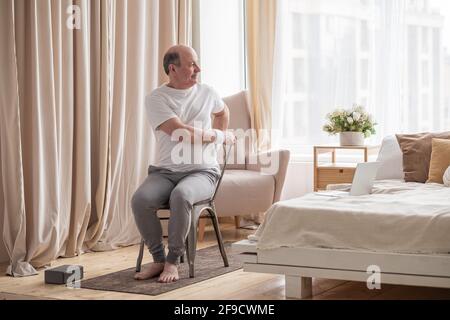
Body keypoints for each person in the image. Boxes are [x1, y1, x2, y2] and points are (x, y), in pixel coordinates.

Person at [131, 45, 235, 283]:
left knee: (182, 195)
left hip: (203, 173)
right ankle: (158, 259)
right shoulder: (156, 98)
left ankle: (172, 261)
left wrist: (216, 141)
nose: (198, 69)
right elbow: (180, 132)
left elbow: (223, 111)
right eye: (191, 64)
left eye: (196, 63)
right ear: (173, 69)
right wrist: (219, 137)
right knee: (140, 200)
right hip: (164, 172)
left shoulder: (207, 92)